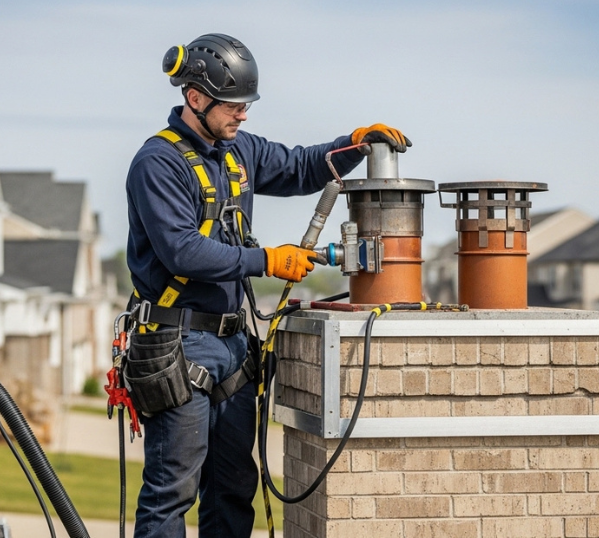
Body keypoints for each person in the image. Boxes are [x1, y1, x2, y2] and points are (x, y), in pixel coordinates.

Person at [125, 33, 411, 538]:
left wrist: (353, 143)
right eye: (233, 106)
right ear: (196, 98)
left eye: (245, 106)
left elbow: (302, 165)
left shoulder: (239, 151)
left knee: (234, 487)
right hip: (178, 343)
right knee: (172, 492)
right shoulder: (158, 163)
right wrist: (267, 260)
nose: (243, 116)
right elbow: (182, 250)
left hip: (234, 344)